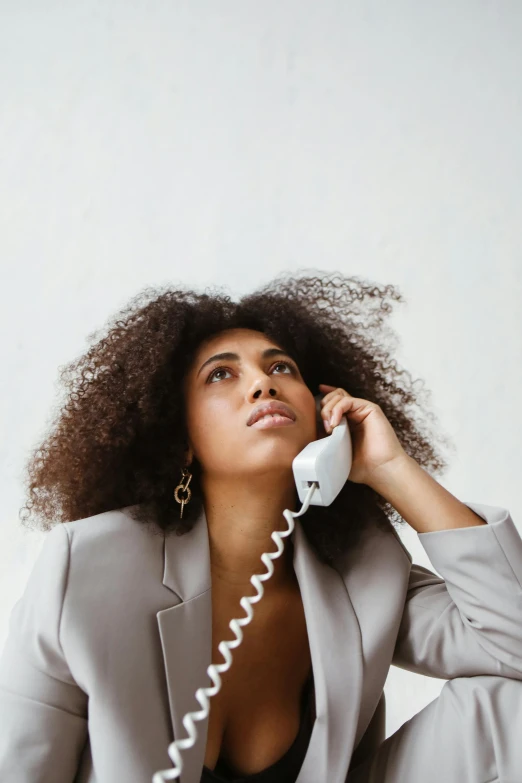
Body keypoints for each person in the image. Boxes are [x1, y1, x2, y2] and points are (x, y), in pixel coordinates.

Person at [0, 271, 521, 783]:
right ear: (178, 437)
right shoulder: (86, 568)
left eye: (282, 368)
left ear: (321, 418)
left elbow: (512, 646)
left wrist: (392, 470)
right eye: (220, 374)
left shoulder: (367, 569)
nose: (262, 382)